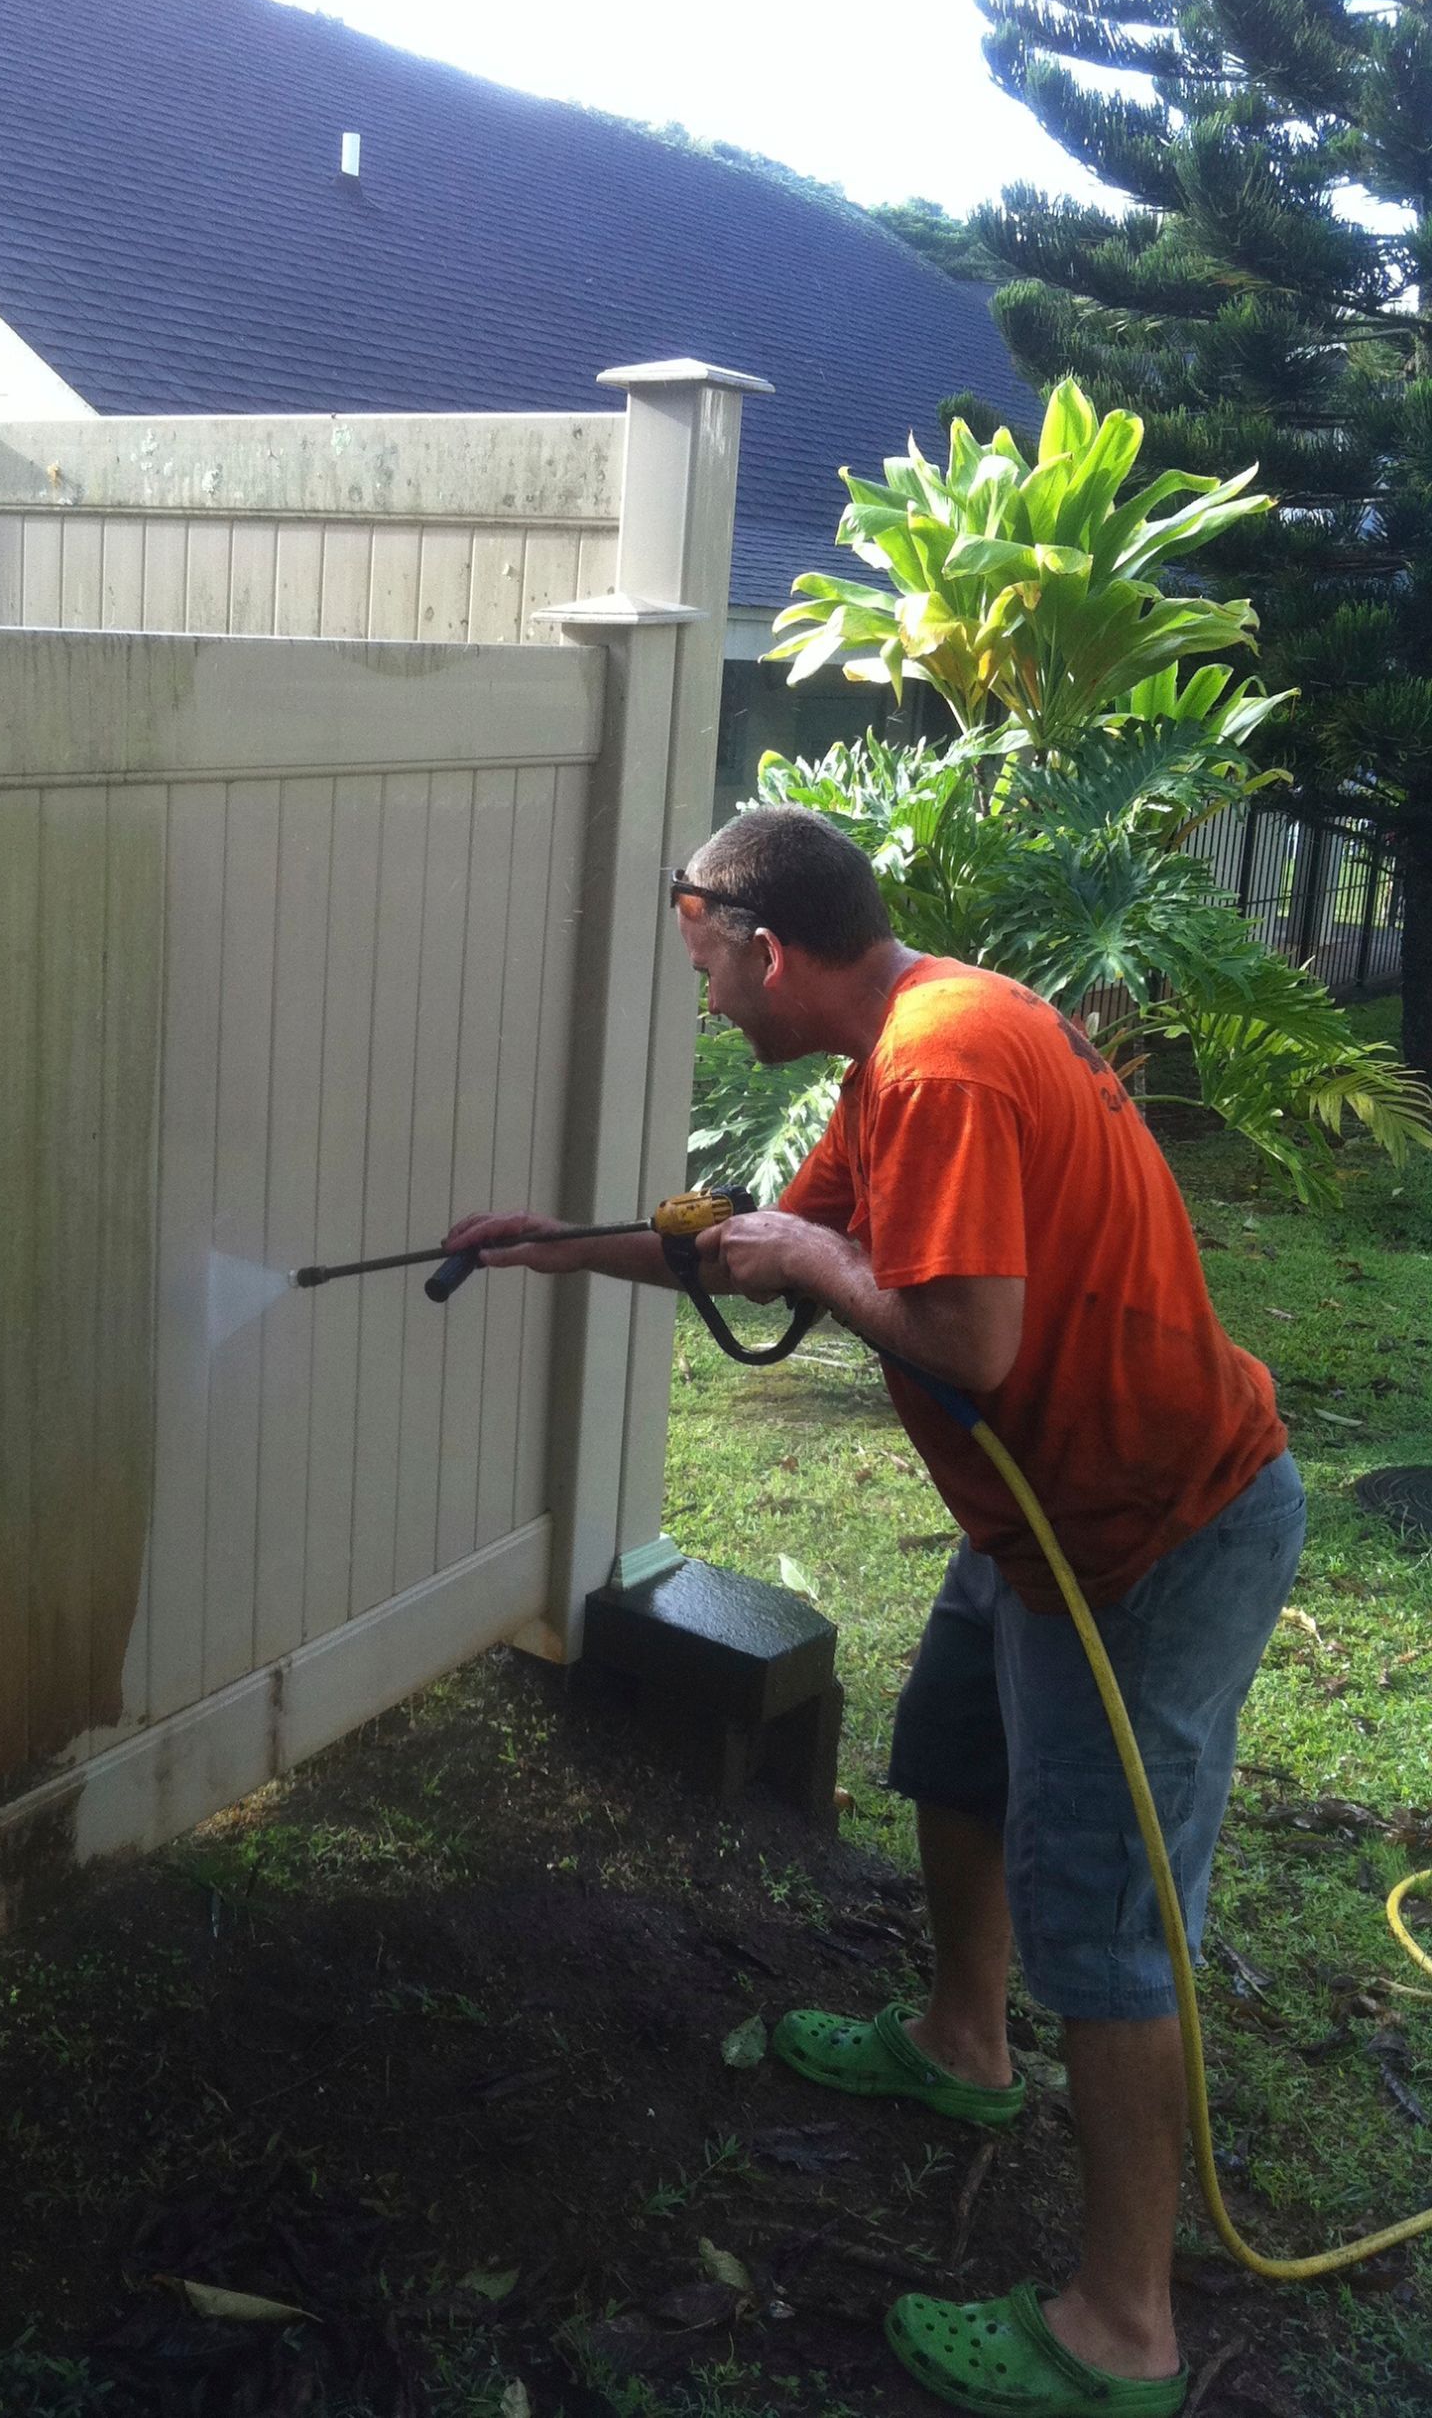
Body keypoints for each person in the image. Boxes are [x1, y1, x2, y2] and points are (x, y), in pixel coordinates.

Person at [444, 805, 1303, 2418]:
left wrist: (809, 1265)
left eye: (708, 969)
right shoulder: (900, 1045)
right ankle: (961, 2044)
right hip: (1038, 1533)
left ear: (771, 951)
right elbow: (781, 1244)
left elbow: (965, 1339)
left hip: (1154, 1536)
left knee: (1106, 1921)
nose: (708, 1003)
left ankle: (1125, 2325)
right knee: (954, 1756)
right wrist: (561, 1252)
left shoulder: (946, 1066)